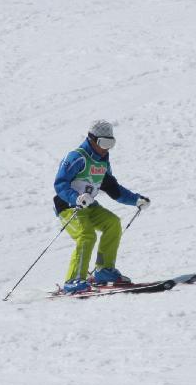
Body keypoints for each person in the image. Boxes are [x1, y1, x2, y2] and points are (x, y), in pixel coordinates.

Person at [53, 120, 150, 294]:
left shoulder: (103, 162)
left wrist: (136, 200)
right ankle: (73, 280)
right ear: (91, 139)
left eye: (110, 144)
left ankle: (103, 271)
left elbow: (113, 188)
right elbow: (60, 184)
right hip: (68, 207)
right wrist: (75, 198)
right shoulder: (77, 157)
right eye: (104, 143)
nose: (107, 149)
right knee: (87, 235)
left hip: (89, 206)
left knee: (112, 223)